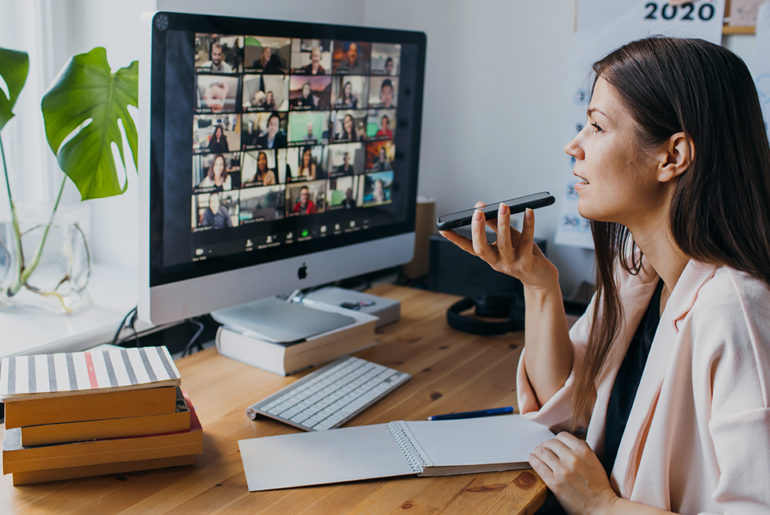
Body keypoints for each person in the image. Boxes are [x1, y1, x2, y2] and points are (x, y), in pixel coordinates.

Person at [440, 37, 770, 514]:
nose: (573, 146)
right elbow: (566, 404)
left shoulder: (735, 312)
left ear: (673, 156)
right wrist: (539, 284)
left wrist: (601, 506)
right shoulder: (641, 272)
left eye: (596, 126)